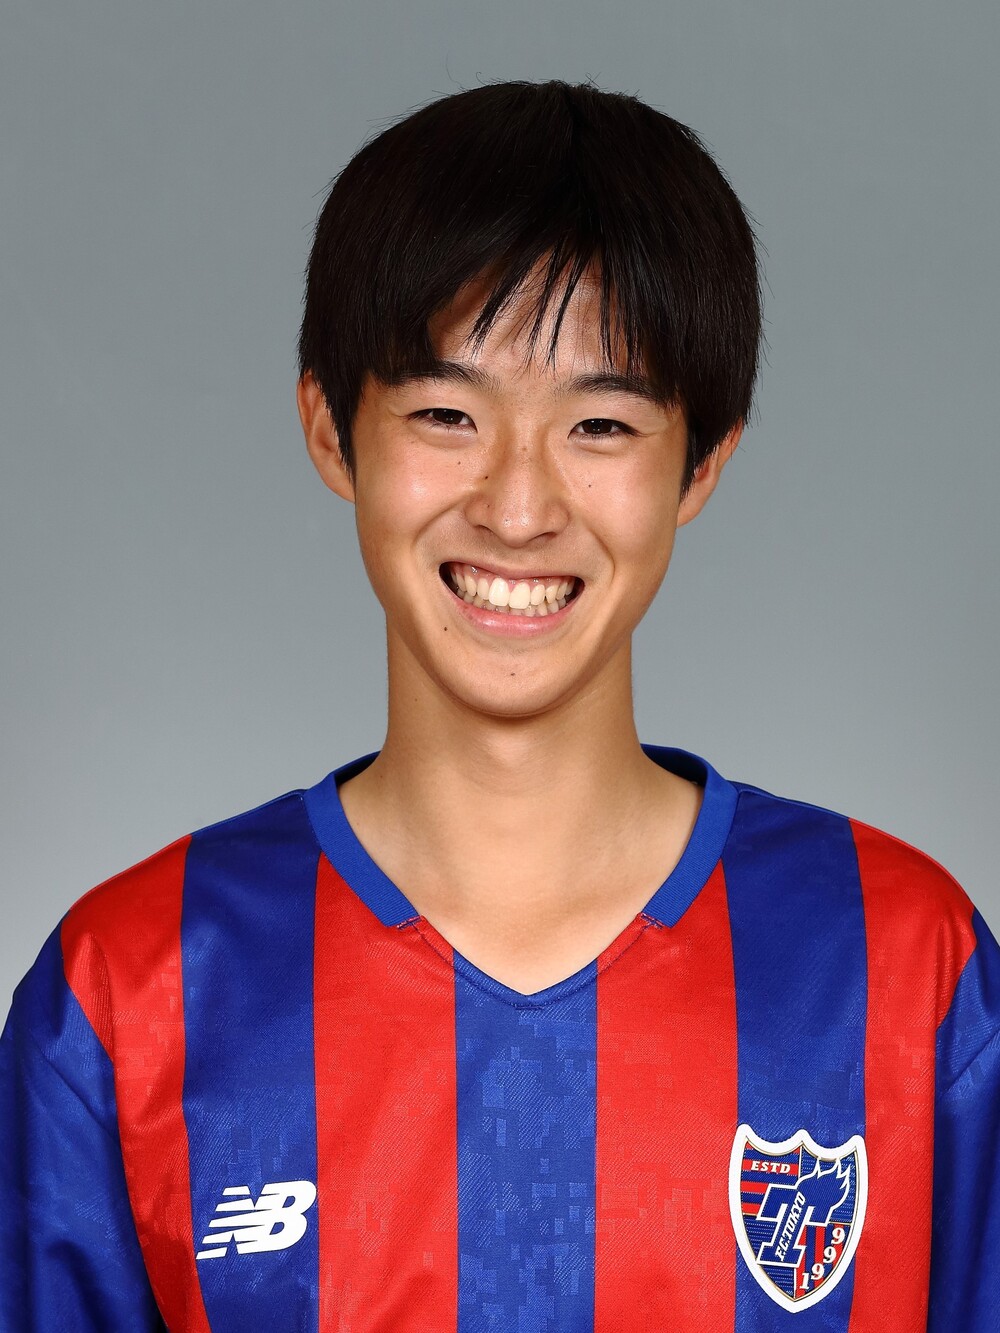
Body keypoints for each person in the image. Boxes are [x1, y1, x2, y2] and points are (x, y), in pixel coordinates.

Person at [1, 79, 997, 1333]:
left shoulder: (903, 964)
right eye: (445, 414)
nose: (518, 507)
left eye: (600, 424)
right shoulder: (128, 988)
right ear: (330, 431)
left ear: (701, 463)